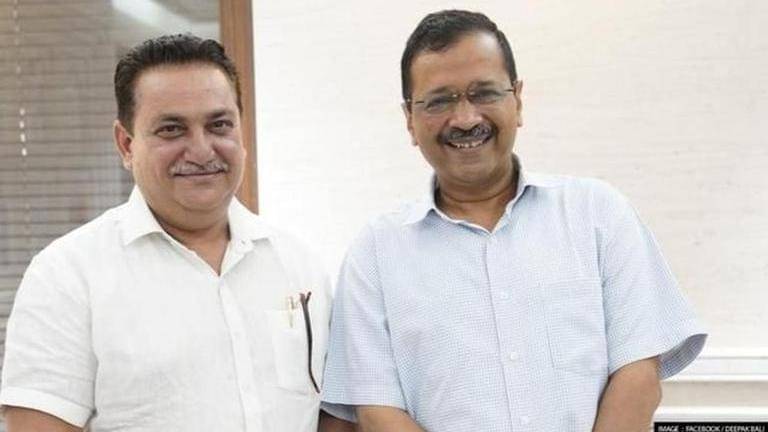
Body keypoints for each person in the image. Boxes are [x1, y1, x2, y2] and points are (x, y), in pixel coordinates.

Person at [321, 10, 707, 431]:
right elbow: (377, 411)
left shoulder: (598, 213)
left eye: (484, 93)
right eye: (439, 101)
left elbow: (638, 376)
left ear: (517, 100)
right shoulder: (376, 253)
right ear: (410, 120)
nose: (465, 118)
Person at [1, 34, 352, 432]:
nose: (201, 151)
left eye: (219, 125)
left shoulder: (297, 263)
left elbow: (332, 417)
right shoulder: (67, 276)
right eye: (172, 129)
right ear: (126, 144)